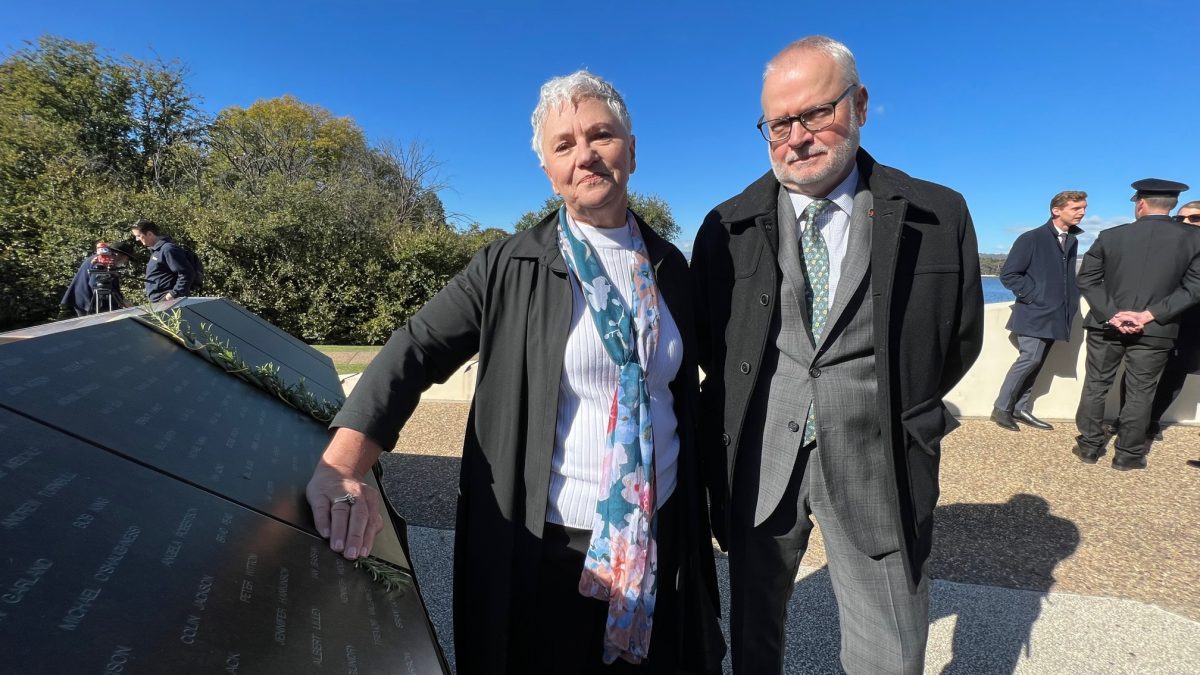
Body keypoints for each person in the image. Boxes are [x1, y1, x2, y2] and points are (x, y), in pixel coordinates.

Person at [304, 71, 723, 674]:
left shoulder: (670, 267)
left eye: (601, 135)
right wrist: (343, 465)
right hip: (548, 545)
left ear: (631, 149)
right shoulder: (507, 265)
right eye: (564, 144)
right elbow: (416, 349)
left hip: (661, 532)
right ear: (548, 169)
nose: (586, 155)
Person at [691, 36, 983, 674]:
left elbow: (956, 339)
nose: (795, 137)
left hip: (880, 459)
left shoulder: (939, 213)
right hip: (761, 463)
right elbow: (715, 344)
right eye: (777, 123)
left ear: (860, 104)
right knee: (753, 633)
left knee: (891, 646)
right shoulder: (725, 227)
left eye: (815, 113)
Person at [1075, 179, 1200, 470]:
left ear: (1140, 203)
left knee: (1096, 384)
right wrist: (1149, 315)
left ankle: (1090, 448)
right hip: (1157, 329)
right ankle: (1128, 455)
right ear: (1170, 205)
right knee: (1141, 391)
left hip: (1106, 327)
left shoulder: (1110, 236)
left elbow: (1087, 280)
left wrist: (1113, 314)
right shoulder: (1194, 240)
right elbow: (1194, 288)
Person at [991, 191, 1087, 431]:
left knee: (1039, 362)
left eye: (1083, 208)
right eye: (1076, 208)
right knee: (1030, 358)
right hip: (1034, 314)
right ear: (1057, 210)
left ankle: (1021, 408)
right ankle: (1001, 408)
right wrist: (1035, 297)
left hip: (1058, 315)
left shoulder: (1072, 240)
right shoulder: (1031, 238)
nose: (1082, 213)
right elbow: (1010, 274)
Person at [1148, 200, 1200, 444]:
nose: (1186, 223)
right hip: (1161, 319)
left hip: (1194, 324)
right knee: (1142, 372)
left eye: (1194, 218)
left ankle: (1153, 420)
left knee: (1176, 375)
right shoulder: (1168, 246)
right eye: (1180, 219)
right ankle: (1131, 419)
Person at [130, 219, 200, 301]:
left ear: (149, 234)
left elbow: (186, 273)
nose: (137, 239)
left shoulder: (168, 249)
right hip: (160, 302)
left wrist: (174, 294)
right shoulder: (157, 251)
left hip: (169, 302)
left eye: (138, 236)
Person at [60, 240, 132, 316]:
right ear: (120, 255)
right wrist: (117, 304)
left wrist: (121, 301)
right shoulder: (100, 261)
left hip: (86, 300)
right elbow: (97, 284)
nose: (126, 261)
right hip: (86, 301)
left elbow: (109, 285)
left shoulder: (106, 262)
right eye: (126, 258)